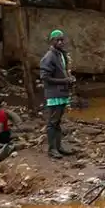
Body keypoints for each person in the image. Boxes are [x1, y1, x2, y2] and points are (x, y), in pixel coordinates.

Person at [39, 30, 75, 159]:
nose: (60, 42)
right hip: (54, 94)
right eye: (57, 40)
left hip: (61, 92)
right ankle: (52, 149)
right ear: (51, 41)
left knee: (57, 122)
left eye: (62, 40)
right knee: (52, 122)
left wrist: (68, 79)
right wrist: (64, 80)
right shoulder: (49, 57)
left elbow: (62, 71)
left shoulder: (60, 54)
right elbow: (44, 77)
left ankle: (58, 146)